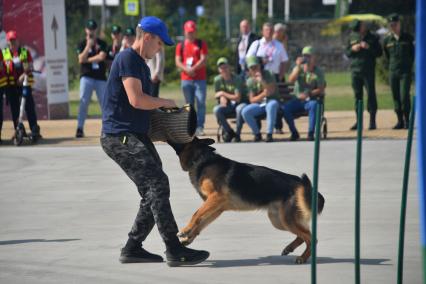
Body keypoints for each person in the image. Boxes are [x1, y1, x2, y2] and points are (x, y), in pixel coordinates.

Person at [100, 16, 209, 267]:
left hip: (136, 134)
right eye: (159, 43)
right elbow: (136, 100)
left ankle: (132, 248)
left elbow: (142, 109)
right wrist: (166, 102)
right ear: (147, 37)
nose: (160, 49)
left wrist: (170, 132)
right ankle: (174, 249)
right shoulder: (127, 58)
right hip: (119, 136)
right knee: (157, 183)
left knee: (154, 190)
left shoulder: (142, 65)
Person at [2, 30, 41, 142]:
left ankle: (34, 129)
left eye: (14, 41)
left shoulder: (24, 52)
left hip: (24, 85)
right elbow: (3, 70)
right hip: (11, 86)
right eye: (10, 41)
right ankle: (19, 130)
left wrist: (24, 75)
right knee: (15, 109)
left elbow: (30, 67)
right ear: (7, 42)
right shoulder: (4, 53)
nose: (13, 43)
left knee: (29, 107)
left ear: (18, 41)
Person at [283, 46, 326, 141]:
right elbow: (290, 80)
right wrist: (298, 67)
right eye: (305, 56)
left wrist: (309, 94)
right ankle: (294, 132)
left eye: (309, 56)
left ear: (314, 57)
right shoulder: (298, 68)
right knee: (285, 109)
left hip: (311, 100)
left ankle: (311, 133)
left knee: (314, 105)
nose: (306, 58)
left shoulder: (318, 72)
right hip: (297, 100)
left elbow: (320, 89)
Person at [345, 20, 382, 130]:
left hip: (368, 71)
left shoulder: (373, 37)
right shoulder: (352, 37)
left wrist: (368, 47)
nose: (361, 27)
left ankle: (372, 121)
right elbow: (347, 53)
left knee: (371, 95)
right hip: (355, 71)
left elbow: (379, 53)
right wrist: (352, 49)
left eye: (360, 26)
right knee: (357, 96)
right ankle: (358, 121)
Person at [175, 20, 208, 136]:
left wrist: (193, 68)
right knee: (189, 104)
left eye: (192, 32)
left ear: (195, 32)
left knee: (201, 103)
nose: (191, 34)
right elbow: (177, 61)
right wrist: (186, 69)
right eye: (189, 32)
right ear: (185, 32)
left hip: (200, 79)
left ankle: (200, 126)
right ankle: (190, 127)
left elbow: (204, 59)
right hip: (186, 79)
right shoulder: (181, 45)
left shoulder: (201, 43)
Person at [76, 19, 107, 138]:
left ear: (96, 30)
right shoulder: (82, 43)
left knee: (104, 103)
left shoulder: (102, 43)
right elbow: (80, 59)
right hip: (86, 76)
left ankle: (106, 128)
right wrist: (88, 46)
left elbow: (102, 56)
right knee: (83, 102)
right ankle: (79, 128)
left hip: (100, 77)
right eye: (89, 29)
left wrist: (86, 60)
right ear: (86, 30)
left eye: (93, 29)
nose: (91, 31)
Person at [383, 13, 415, 129]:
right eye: (391, 25)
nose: (393, 27)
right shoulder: (387, 40)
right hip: (393, 72)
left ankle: (407, 120)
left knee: (404, 96)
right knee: (395, 97)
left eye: (395, 24)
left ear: (399, 24)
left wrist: (408, 66)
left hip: (405, 72)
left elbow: (413, 54)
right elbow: (387, 57)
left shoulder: (408, 38)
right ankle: (399, 121)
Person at [241, 56, 280, 142]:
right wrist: (263, 94)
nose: (254, 69)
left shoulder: (268, 74)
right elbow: (252, 100)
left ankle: (269, 134)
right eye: (251, 68)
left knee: (271, 105)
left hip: (272, 101)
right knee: (245, 111)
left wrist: (262, 81)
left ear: (260, 66)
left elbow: (271, 91)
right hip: (260, 104)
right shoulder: (250, 80)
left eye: (256, 66)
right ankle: (257, 134)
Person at [213, 57, 247, 142]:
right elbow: (217, 94)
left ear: (229, 67)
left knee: (239, 109)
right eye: (221, 68)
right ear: (219, 70)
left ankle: (237, 135)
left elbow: (237, 98)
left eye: (225, 67)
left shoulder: (237, 79)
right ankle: (230, 132)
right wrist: (221, 97)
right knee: (217, 110)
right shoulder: (217, 80)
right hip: (228, 104)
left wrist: (223, 94)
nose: (224, 69)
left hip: (241, 103)